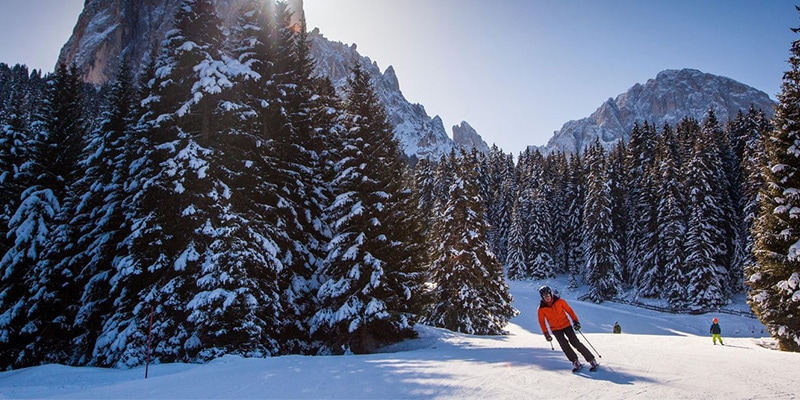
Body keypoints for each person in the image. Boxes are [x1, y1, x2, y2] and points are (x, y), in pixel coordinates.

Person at [537, 285, 598, 371]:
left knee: (575, 342)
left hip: (566, 325)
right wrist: (546, 333)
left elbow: (570, 311)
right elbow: (542, 322)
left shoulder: (560, 301)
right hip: (555, 329)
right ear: (542, 297)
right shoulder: (541, 309)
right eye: (544, 296)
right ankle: (575, 361)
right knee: (564, 346)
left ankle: (591, 359)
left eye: (547, 295)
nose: (547, 298)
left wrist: (575, 321)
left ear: (550, 294)